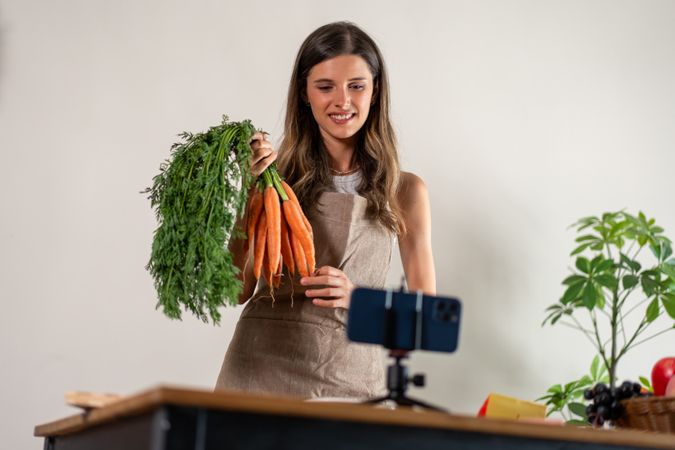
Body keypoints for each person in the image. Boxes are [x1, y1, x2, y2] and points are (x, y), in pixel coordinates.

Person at [215, 21, 435, 399]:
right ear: (304, 93)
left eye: (356, 86)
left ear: (375, 91)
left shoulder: (405, 191)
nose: (342, 101)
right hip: (259, 371)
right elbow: (234, 290)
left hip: (350, 380)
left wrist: (358, 298)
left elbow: (426, 319)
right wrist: (252, 194)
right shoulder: (273, 178)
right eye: (325, 86)